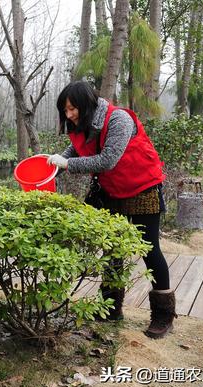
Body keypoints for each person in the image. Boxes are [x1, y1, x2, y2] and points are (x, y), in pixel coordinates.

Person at [47, 81, 175, 339]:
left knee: (148, 247)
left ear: (86, 104)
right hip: (111, 189)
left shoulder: (118, 119)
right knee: (112, 246)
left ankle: (163, 315)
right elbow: (76, 148)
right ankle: (111, 307)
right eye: (65, 110)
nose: (69, 115)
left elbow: (107, 160)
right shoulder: (81, 123)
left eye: (72, 109)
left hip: (142, 186)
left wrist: (68, 164)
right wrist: (55, 162)